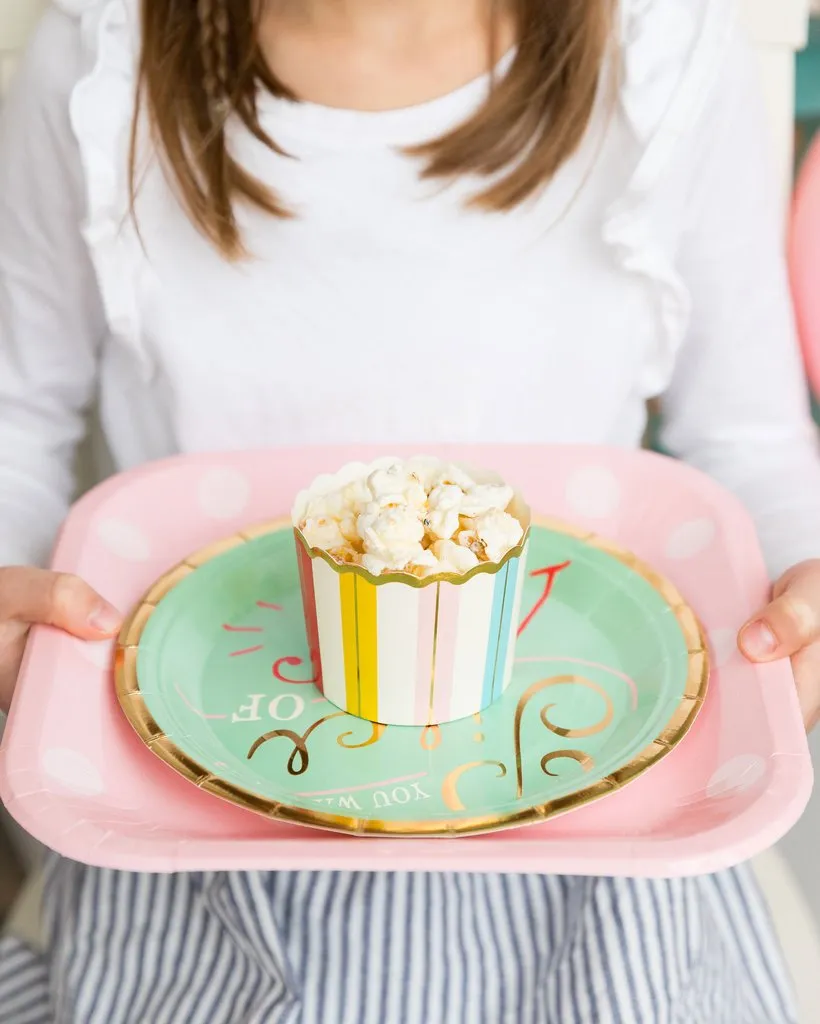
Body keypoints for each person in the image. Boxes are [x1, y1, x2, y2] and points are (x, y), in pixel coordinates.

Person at [0, 0, 818, 1020]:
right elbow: (19, 418)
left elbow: (747, 444)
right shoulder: (98, 60)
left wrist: (798, 584)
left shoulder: (664, 52)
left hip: (591, 809)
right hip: (200, 799)